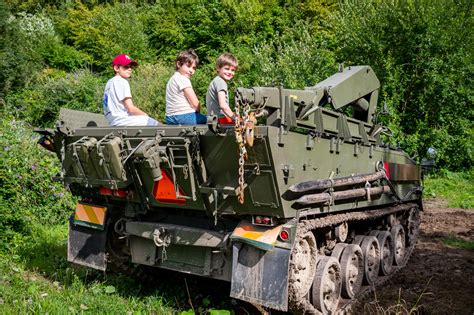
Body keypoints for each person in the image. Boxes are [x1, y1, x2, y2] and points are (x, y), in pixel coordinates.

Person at [103, 54, 160, 126]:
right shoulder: (122, 81)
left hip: (112, 122)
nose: (129, 69)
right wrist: (146, 116)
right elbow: (131, 109)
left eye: (130, 67)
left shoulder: (109, 83)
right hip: (123, 120)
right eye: (126, 67)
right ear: (116, 68)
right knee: (155, 124)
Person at [165, 49, 207, 125]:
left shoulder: (172, 79)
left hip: (170, 118)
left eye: (194, 68)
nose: (191, 70)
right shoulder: (183, 78)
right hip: (184, 117)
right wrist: (198, 113)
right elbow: (195, 104)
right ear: (178, 64)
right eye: (188, 66)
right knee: (211, 120)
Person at [205, 53, 239, 125]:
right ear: (218, 68)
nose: (230, 72)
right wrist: (234, 117)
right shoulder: (221, 82)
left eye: (233, 70)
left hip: (212, 119)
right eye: (226, 69)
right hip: (219, 120)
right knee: (244, 124)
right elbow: (223, 105)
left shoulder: (216, 80)